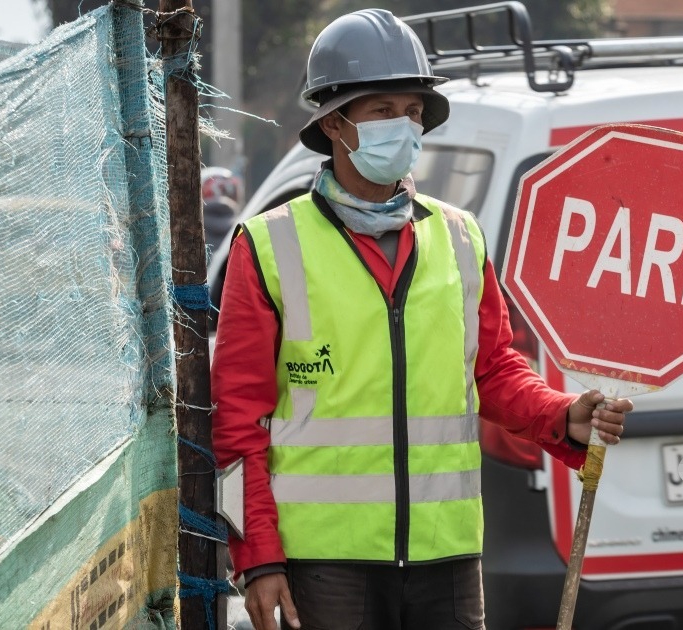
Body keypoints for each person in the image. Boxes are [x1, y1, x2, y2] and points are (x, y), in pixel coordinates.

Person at [210, 8, 632, 630]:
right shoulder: (269, 245)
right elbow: (238, 423)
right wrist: (258, 558)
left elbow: (492, 369)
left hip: (447, 555)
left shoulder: (460, 238)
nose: (403, 127)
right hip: (324, 562)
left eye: (412, 112)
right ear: (334, 122)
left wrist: (560, 414)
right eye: (382, 111)